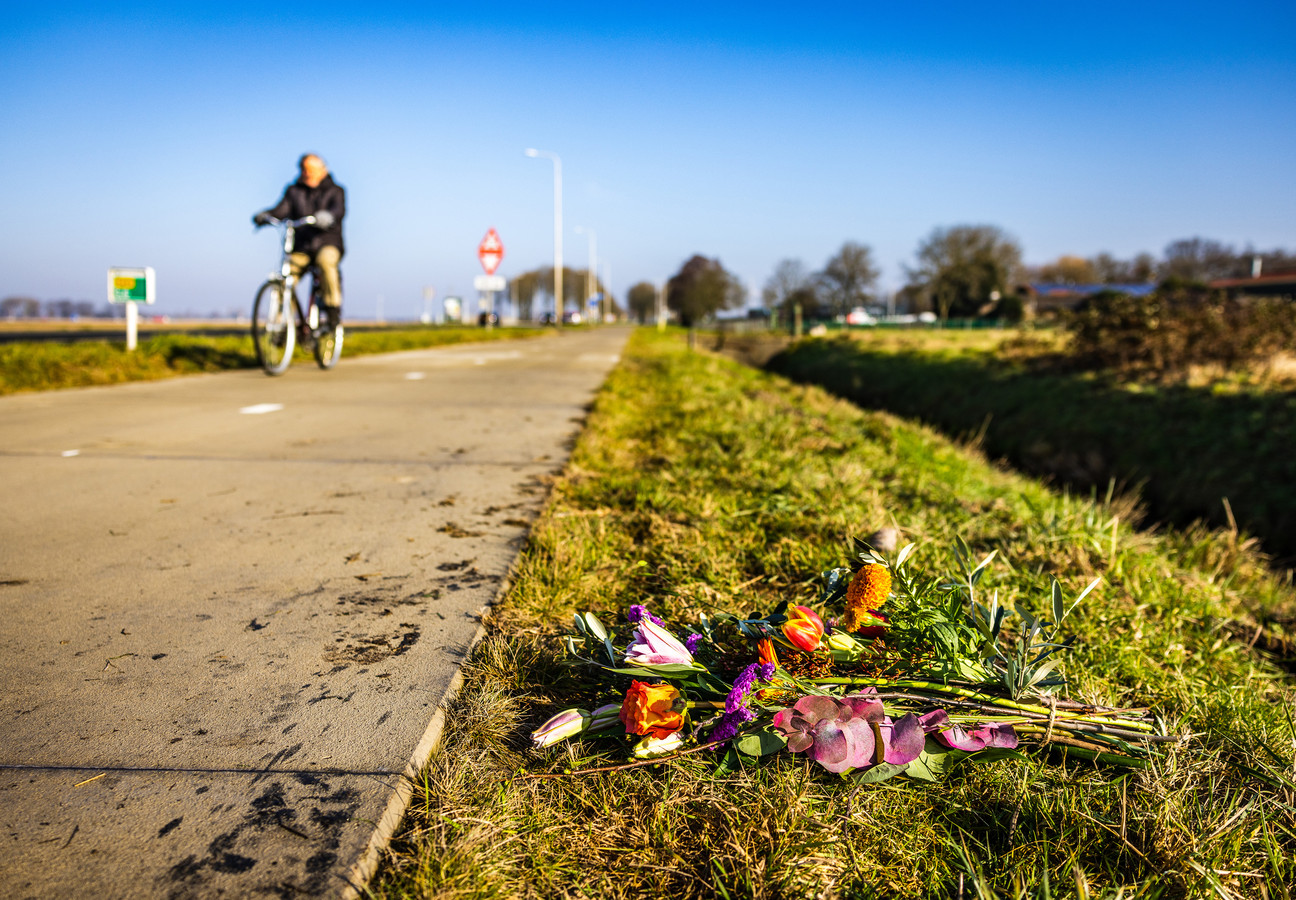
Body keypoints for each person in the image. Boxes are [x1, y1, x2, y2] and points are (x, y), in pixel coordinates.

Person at [253, 154, 346, 323]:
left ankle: (333, 310)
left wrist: (327, 217)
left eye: (311, 170)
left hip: (327, 242)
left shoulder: (336, 191)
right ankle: (280, 325)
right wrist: (266, 215)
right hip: (302, 246)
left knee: (326, 262)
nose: (306, 173)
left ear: (322, 170)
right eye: (304, 169)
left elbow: (337, 211)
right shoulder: (294, 191)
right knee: (286, 276)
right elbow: (282, 210)